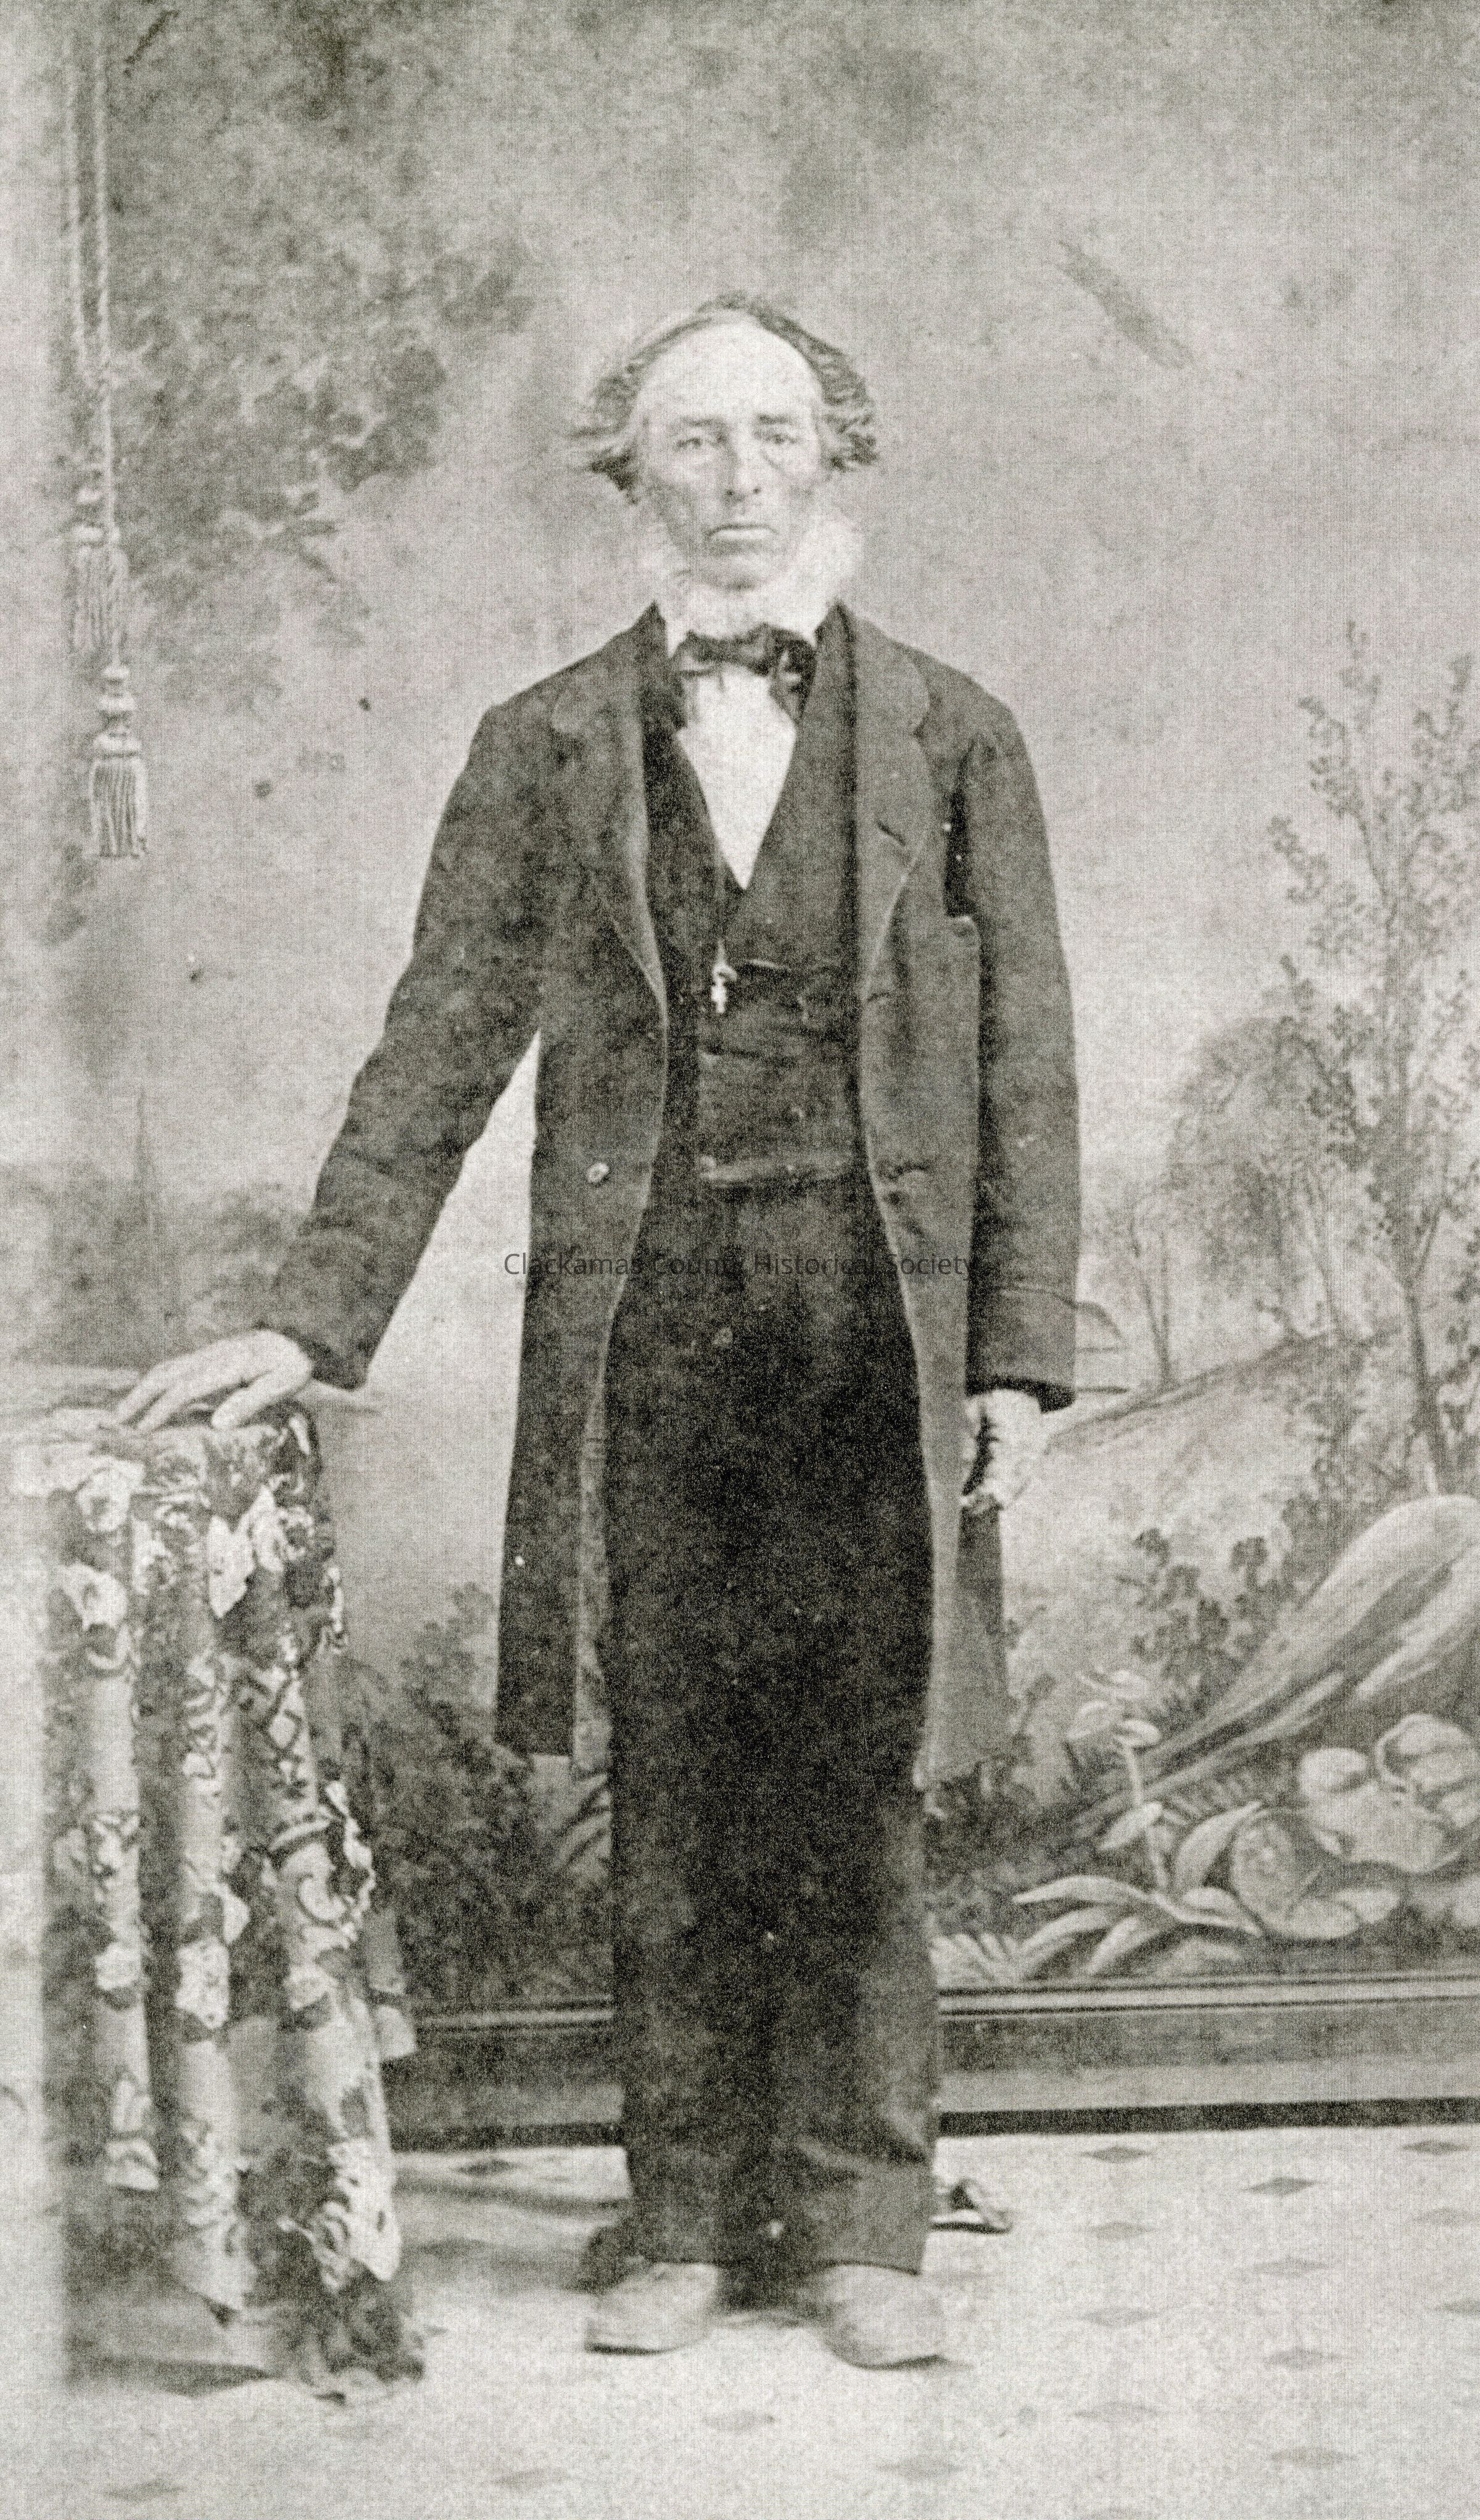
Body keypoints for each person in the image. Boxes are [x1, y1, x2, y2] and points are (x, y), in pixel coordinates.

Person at [120, 296, 1080, 2367]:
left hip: (879, 1328)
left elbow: (1028, 1067)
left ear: (834, 457)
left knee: (861, 1768)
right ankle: (685, 2211)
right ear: (627, 473)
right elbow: (438, 1044)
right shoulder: (544, 746)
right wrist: (312, 1317)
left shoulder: (956, 735)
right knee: (676, 1759)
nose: (737, 481)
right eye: (693, 442)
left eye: (774, 436)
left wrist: (1015, 1355)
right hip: (650, 1327)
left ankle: (863, 2223)